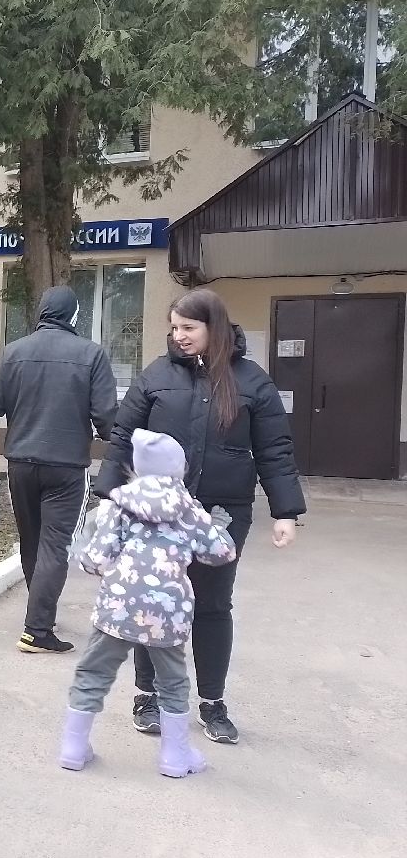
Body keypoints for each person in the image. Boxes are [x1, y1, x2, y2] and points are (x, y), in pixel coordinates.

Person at [95, 288, 304, 744]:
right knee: (157, 599)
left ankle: (213, 703)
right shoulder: (157, 375)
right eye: (174, 328)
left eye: (188, 327)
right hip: (160, 513)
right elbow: (122, 434)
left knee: (212, 606)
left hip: (221, 513)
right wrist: (109, 490)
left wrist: (285, 511)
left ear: (214, 327)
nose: (179, 336)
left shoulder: (252, 382)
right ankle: (146, 695)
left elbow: (275, 450)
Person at [60, 429, 238, 778]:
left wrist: (91, 559)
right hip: (168, 611)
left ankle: (73, 748)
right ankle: (175, 757)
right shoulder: (189, 508)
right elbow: (221, 553)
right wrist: (218, 525)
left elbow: (96, 559)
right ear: (180, 469)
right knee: (172, 682)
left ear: (136, 468)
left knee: (93, 672)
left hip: (118, 606)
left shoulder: (118, 503)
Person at [0, 285, 118, 653]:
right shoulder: (91, 354)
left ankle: (39, 611)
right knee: (55, 546)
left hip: (20, 466)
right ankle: (37, 629)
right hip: (66, 468)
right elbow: (106, 415)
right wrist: (125, 447)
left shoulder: (12, 353)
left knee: (32, 542)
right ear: (74, 315)